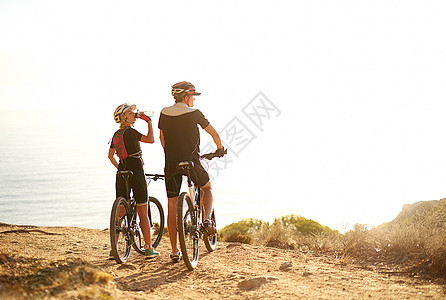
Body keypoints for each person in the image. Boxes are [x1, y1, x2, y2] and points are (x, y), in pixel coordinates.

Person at [158, 81, 225, 263]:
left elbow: (162, 138)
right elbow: (214, 134)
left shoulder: (164, 112)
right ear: (187, 96)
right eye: (193, 96)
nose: (194, 100)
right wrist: (220, 149)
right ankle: (206, 221)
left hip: (171, 164)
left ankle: (174, 251)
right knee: (207, 189)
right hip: (192, 162)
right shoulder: (194, 113)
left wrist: (170, 155)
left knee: (172, 205)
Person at [108, 103, 160, 258]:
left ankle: (114, 250)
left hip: (121, 172)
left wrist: (121, 167)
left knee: (120, 212)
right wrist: (149, 122)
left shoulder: (116, 134)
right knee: (142, 210)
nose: (133, 114)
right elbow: (151, 140)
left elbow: (110, 156)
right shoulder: (130, 132)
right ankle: (149, 248)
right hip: (136, 171)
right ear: (123, 118)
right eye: (130, 113)